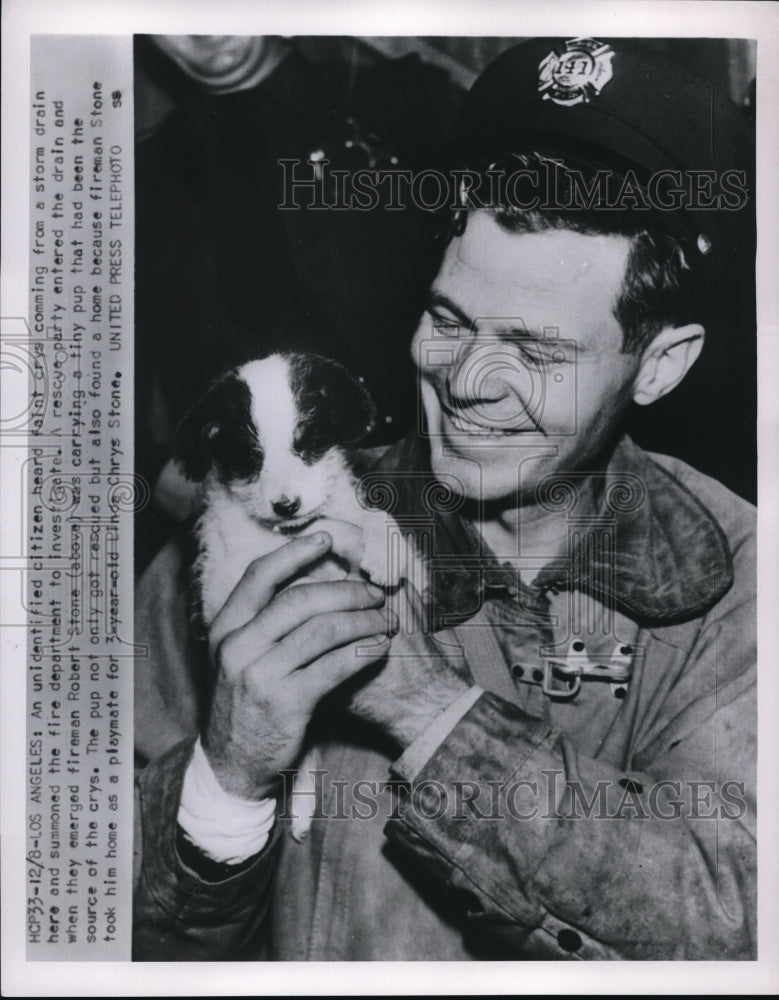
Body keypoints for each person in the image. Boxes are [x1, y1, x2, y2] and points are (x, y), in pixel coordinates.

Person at [133, 37, 756, 960]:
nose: (467, 380)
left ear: (659, 363)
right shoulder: (255, 523)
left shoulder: (734, 578)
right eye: (448, 320)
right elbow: (71, 913)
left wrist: (430, 713)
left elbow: (735, 914)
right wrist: (227, 775)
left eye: (537, 351)